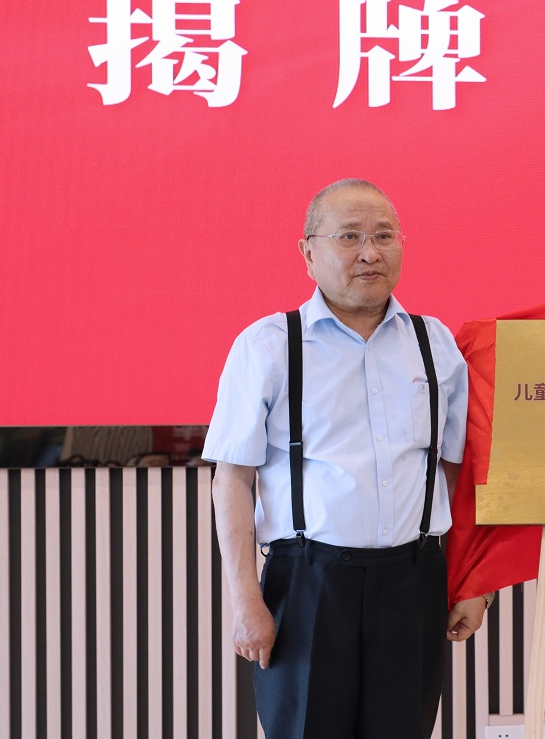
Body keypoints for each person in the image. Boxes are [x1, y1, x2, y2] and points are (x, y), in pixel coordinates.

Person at [203, 178, 486, 739]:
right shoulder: (268, 346)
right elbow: (231, 479)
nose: (370, 252)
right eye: (350, 236)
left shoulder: (434, 344)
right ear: (308, 253)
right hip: (307, 584)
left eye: (384, 235)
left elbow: (458, 472)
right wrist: (245, 599)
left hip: (414, 581)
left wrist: (473, 582)